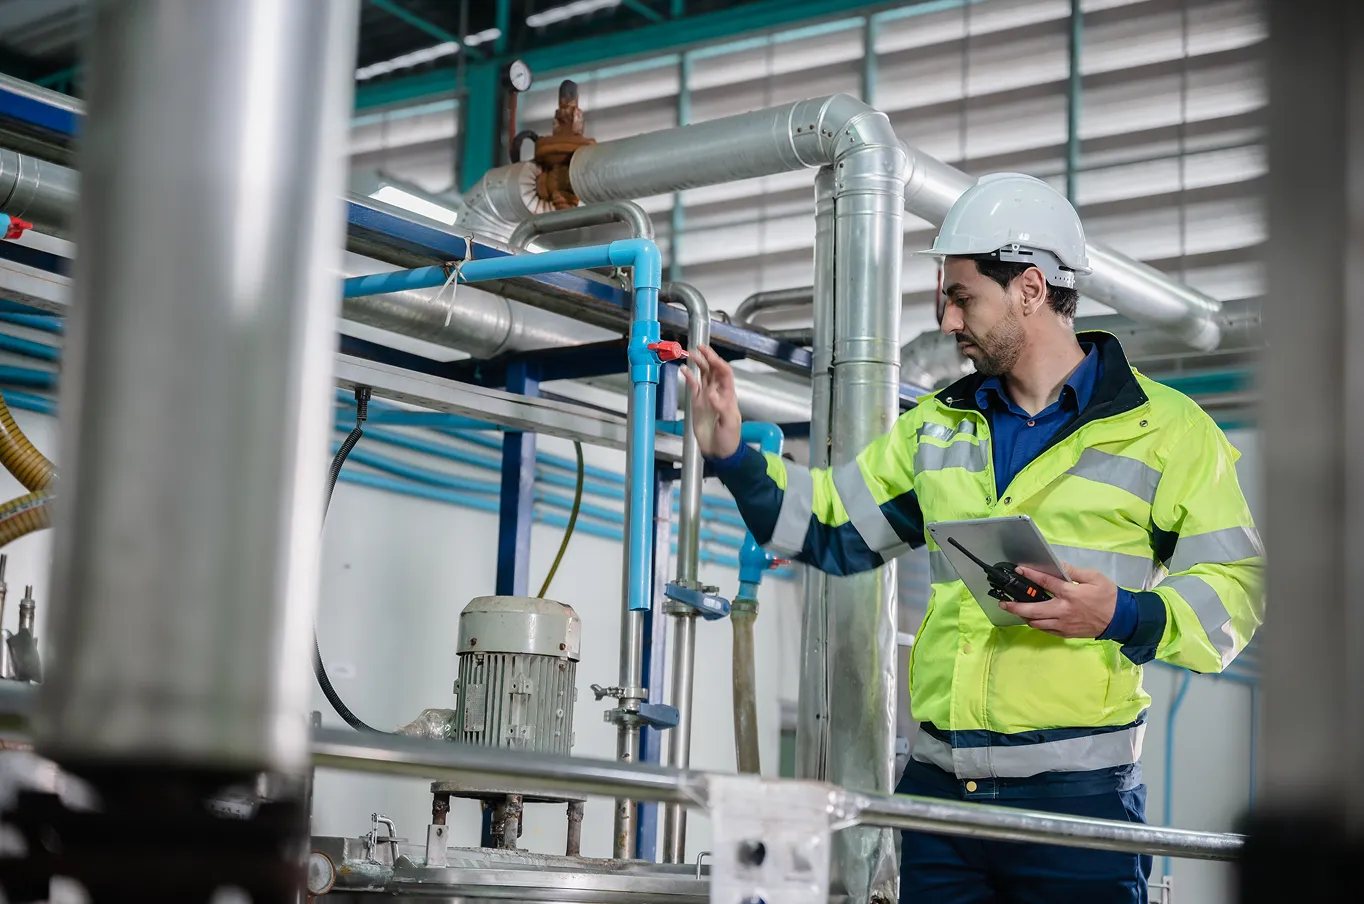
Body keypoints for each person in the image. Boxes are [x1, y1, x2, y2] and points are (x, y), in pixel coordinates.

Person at [684, 173, 1264, 904]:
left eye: (963, 298)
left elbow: (1236, 590)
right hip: (938, 800)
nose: (949, 321)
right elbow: (831, 527)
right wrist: (735, 455)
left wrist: (1123, 616)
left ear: (1029, 287)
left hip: (1075, 806)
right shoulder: (935, 426)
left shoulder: (1169, 431)